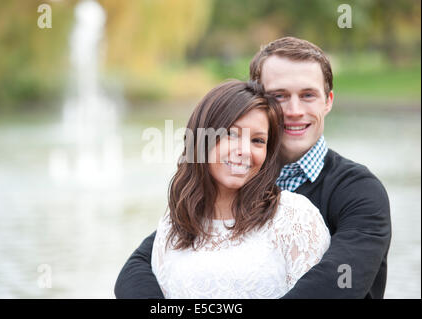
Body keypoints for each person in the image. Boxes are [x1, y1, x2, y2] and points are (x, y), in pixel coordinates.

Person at [114, 37, 391, 299]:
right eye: (279, 96)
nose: (294, 110)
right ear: (256, 98)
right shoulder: (229, 181)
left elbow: (340, 281)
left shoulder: (360, 191)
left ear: (328, 101)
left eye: (308, 95)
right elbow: (139, 267)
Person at [151, 80, 330, 298]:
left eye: (257, 140)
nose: (244, 151)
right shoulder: (172, 223)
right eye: (232, 134)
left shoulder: (295, 217)